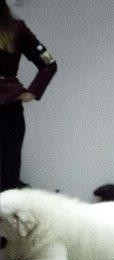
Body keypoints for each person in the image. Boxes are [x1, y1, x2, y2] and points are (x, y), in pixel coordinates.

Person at [0, 0, 56, 191]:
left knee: (7, 178)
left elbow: (49, 63)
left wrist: (32, 91)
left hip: (8, 113)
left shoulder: (16, 29)